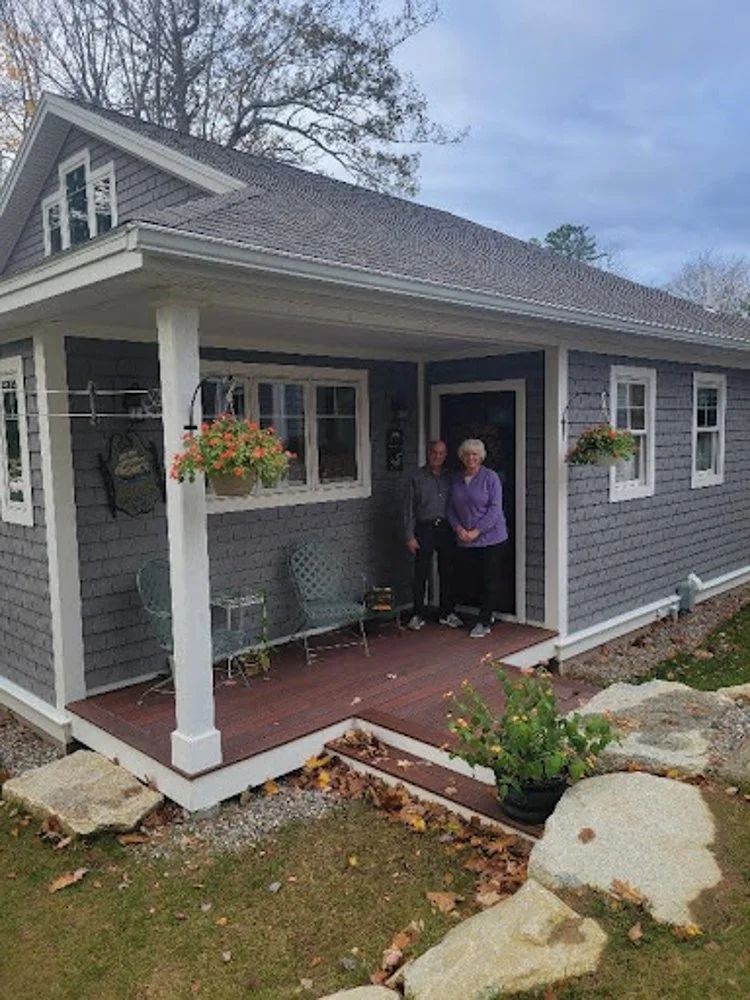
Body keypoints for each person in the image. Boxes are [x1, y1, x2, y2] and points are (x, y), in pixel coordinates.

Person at [448, 438, 508, 639]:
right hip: (465, 538)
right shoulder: (456, 479)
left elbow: (495, 509)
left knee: (488, 580)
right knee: (472, 579)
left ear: (480, 457)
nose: (471, 458)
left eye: (474, 454)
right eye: (467, 454)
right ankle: (486, 613)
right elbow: (450, 508)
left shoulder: (490, 477)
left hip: (491, 537)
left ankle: (484, 621)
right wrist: (458, 528)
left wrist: (477, 531)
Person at [404, 440, 462, 631]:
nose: (437, 456)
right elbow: (408, 509)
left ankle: (447, 613)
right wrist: (409, 535)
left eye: (441, 453)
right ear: (428, 453)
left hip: (446, 527)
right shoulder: (416, 477)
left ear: (446, 455)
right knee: (421, 572)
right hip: (424, 527)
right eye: (434, 452)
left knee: (448, 571)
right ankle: (417, 614)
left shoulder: (450, 477)